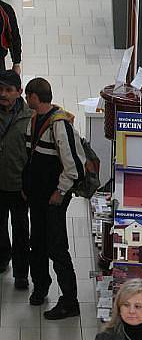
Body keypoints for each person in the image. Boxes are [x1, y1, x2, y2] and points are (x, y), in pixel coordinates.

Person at [23, 77, 85, 318]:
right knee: (37, 242)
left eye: (28, 96)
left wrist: (60, 192)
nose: (26, 100)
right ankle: (40, 287)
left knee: (57, 247)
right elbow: (32, 157)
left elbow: (73, 167)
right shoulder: (35, 119)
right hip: (37, 197)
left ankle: (70, 301)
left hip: (53, 199)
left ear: (34, 97)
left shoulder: (59, 124)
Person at [0, 69, 33, 288]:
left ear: (19, 92)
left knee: (21, 229)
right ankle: (2, 259)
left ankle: (21, 273)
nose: (3, 94)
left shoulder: (30, 115)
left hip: (19, 185)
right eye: (0, 89)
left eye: (8, 90)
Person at [0, 0, 21, 73]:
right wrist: (16, 63)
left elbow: (14, 37)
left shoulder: (5, 10)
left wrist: (16, 62)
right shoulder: (6, 9)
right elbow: (14, 37)